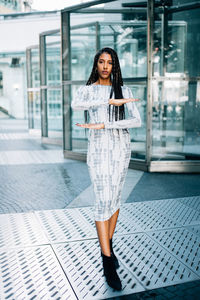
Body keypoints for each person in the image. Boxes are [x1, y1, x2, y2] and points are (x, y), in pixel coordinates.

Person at [71, 47, 141, 291]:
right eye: (101, 62)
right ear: (96, 64)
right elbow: (75, 105)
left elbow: (136, 120)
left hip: (121, 151)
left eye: (109, 63)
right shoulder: (87, 91)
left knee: (114, 200)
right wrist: (106, 100)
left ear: (115, 66)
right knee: (102, 202)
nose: (104, 66)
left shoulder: (126, 90)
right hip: (99, 152)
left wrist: (106, 124)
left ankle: (107, 247)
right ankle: (107, 261)